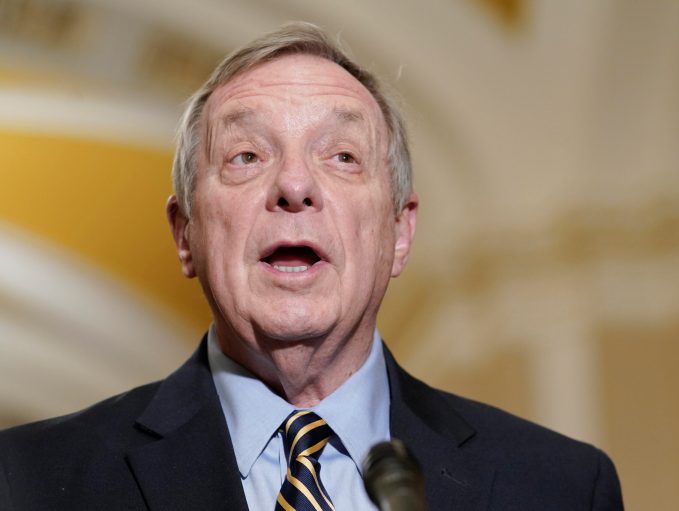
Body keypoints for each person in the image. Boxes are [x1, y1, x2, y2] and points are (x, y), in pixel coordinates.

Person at [0, 22, 623, 510]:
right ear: (185, 233)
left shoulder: (559, 487)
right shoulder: (28, 481)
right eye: (246, 155)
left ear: (399, 233)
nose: (294, 184)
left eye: (343, 156)